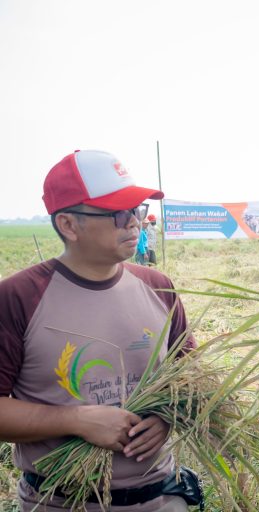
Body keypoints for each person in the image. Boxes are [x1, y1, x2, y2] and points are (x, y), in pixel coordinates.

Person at [0, 149, 196, 511]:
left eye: (137, 210)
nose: (134, 222)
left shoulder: (158, 287)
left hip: (162, 497)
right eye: (118, 213)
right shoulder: (18, 298)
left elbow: (192, 378)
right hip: (63, 502)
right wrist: (75, 420)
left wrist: (167, 417)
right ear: (69, 225)